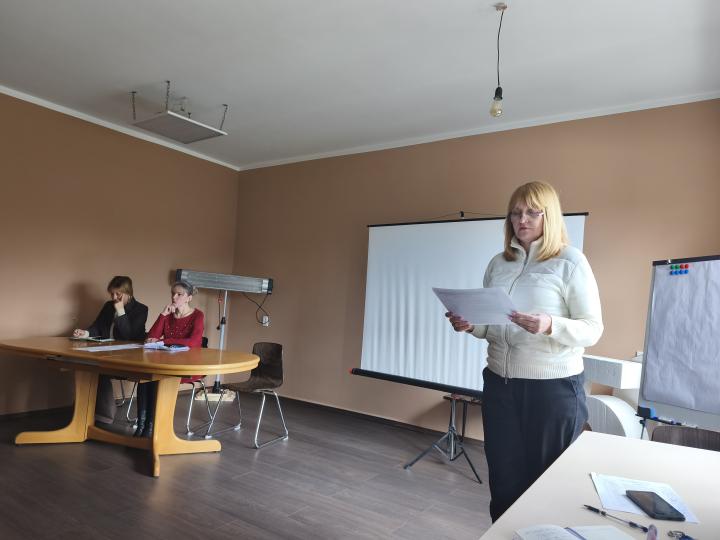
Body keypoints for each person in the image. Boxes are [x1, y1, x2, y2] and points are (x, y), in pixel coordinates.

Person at [446, 181, 603, 522]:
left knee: (548, 485)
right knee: (504, 482)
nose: (522, 219)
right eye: (516, 213)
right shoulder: (498, 263)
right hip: (500, 386)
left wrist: (550, 324)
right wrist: (470, 325)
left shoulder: (570, 261)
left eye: (533, 212)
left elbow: (593, 329)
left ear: (550, 216)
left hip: (552, 390)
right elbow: (492, 326)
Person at [72, 276, 148, 424]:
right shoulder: (108, 306)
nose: (114, 297)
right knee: (85, 365)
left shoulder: (141, 309)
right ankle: (84, 412)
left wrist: (120, 311)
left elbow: (128, 336)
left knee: (98, 368)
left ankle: (103, 415)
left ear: (128, 293)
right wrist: (85, 333)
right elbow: (97, 326)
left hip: (128, 356)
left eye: (118, 294)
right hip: (106, 350)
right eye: (112, 293)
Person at [135, 280, 204, 437]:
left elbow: (194, 342)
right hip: (165, 363)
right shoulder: (168, 315)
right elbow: (150, 338)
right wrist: (163, 315)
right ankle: (142, 426)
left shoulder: (197, 315)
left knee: (156, 378)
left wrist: (164, 341)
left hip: (187, 365)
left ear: (189, 298)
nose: (174, 297)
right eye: (173, 293)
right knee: (145, 378)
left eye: (179, 294)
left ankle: (151, 428)